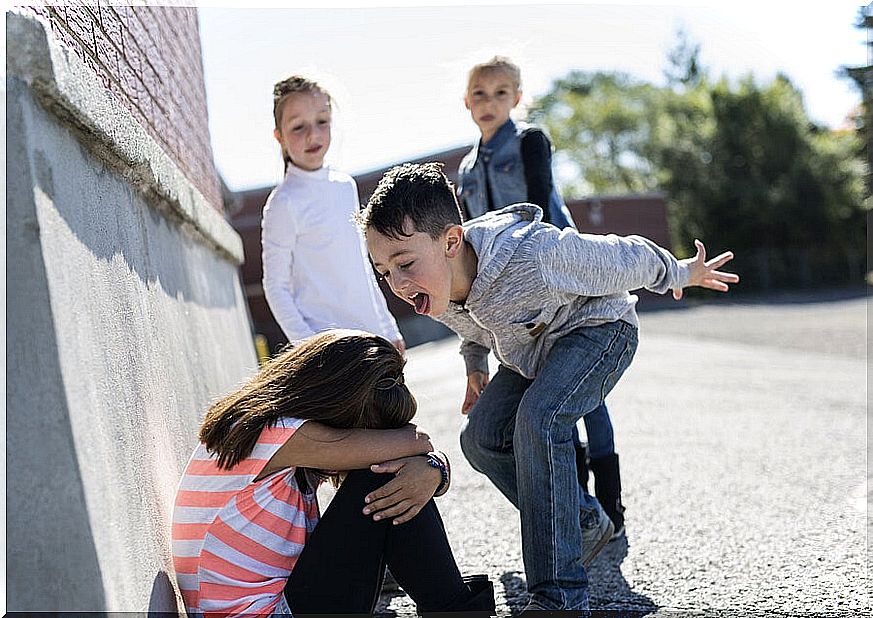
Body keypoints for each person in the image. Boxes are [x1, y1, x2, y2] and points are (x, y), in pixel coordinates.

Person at [359, 163, 738, 612]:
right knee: (478, 439)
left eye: (404, 264)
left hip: (600, 331)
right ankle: (581, 521)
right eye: (383, 271)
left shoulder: (534, 254)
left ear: (451, 241)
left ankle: (558, 597)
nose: (397, 284)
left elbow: (623, 256)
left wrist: (680, 272)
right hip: (534, 355)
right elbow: (471, 326)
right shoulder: (435, 283)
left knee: (539, 421)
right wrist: (475, 365)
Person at [171, 329, 495, 617]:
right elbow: (417, 441)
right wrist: (431, 466)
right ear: (338, 402)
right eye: (365, 431)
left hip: (276, 604)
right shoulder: (277, 433)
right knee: (383, 475)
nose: (366, 440)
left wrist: (434, 470)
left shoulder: (260, 426)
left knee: (393, 473)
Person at [456, 55, 624, 538]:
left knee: (586, 390)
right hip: (508, 290)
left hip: (558, 271)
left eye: (501, 92)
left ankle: (611, 501)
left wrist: (554, 277)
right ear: (466, 102)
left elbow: (541, 203)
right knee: (546, 388)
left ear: (517, 97)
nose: (491, 102)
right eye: (481, 94)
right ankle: (582, 505)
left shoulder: (530, 140)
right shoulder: (466, 168)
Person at [261, 75, 404, 352]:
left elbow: (362, 265)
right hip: (331, 350)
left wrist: (388, 328)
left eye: (322, 122)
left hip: (374, 339)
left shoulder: (344, 186)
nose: (313, 135)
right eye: (298, 126)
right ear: (279, 137)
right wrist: (311, 347)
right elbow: (276, 287)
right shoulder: (283, 203)